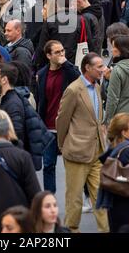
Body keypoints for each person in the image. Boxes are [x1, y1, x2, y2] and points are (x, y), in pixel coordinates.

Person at [56, 53, 109, 233]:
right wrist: (63, 145)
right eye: (99, 67)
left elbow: (97, 118)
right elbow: (62, 120)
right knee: (75, 196)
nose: (103, 70)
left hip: (97, 150)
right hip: (77, 151)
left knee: (101, 195)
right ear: (87, 68)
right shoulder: (73, 90)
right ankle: (71, 230)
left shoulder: (98, 86)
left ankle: (106, 230)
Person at [37, 40, 80, 193]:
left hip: (68, 126)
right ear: (48, 55)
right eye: (57, 52)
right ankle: (50, 197)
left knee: (74, 164)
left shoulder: (68, 70)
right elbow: (40, 100)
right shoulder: (42, 74)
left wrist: (66, 63)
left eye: (62, 51)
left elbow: (79, 79)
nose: (61, 54)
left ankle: (85, 195)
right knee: (48, 164)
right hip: (48, 126)